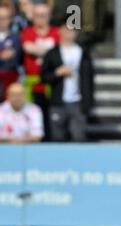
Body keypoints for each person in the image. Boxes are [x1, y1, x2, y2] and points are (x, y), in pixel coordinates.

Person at [40, 21, 94, 142]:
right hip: (58, 102)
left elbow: (89, 80)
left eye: (72, 30)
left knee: (79, 136)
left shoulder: (83, 53)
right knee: (57, 136)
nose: (69, 33)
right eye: (66, 30)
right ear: (60, 31)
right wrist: (57, 73)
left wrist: (88, 102)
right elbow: (43, 77)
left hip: (78, 102)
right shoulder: (52, 53)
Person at [20, 3, 59, 140]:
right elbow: (28, 48)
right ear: (33, 17)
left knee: (51, 120)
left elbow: (59, 53)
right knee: (33, 120)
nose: (41, 18)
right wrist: (50, 53)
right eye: (37, 16)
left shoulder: (56, 32)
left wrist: (39, 50)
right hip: (33, 84)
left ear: (49, 16)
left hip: (52, 84)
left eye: (44, 15)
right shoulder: (28, 32)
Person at [0, 5, 21, 100]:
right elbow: (5, 55)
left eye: (5, 18)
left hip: (10, 78)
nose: (2, 20)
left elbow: (15, 58)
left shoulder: (16, 37)